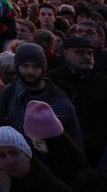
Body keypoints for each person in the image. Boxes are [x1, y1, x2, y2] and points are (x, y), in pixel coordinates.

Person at [0, 42, 84, 150]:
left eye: (35, 66)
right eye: (25, 66)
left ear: (43, 68)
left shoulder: (61, 99)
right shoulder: (9, 93)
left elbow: (75, 144)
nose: (30, 71)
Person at [46, 35, 107, 164]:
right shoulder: (52, 81)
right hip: (62, 152)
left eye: (90, 53)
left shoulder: (102, 83)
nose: (86, 57)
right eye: (79, 52)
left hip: (99, 152)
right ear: (66, 54)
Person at [0, 126, 71, 192]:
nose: (10, 161)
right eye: (2, 156)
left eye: (15, 153)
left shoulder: (54, 187)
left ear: (27, 155)